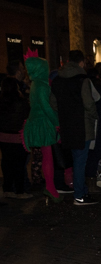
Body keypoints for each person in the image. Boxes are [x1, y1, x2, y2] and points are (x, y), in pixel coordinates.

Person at [50, 49, 101, 206]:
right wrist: (94, 116)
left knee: (75, 159)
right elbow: (89, 103)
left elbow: (53, 102)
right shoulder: (82, 80)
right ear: (81, 62)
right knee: (80, 160)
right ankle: (79, 194)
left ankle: (81, 190)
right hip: (82, 125)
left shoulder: (58, 79)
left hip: (67, 124)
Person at [23, 52, 60, 200]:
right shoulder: (41, 85)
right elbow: (46, 106)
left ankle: (50, 187)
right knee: (48, 156)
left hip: (38, 121)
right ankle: (51, 188)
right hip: (44, 123)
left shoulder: (35, 84)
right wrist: (57, 122)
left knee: (45, 156)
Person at [0, 77, 30, 198]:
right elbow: (27, 115)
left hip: (3, 136)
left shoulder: (1, 101)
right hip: (18, 136)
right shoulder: (21, 102)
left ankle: (7, 188)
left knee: (6, 163)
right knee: (19, 164)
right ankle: (19, 191)